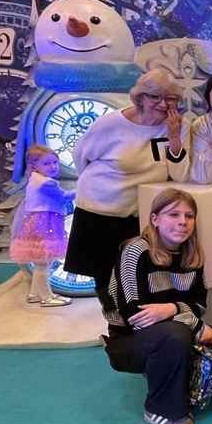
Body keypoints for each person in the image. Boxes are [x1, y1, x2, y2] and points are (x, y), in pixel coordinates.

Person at [102, 188, 212, 424]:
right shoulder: (135, 251)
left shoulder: (193, 255)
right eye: (173, 214)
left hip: (176, 330)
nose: (183, 222)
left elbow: (200, 305)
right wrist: (195, 326)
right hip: (128, 338)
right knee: (175, 337)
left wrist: (171, 309)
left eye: (189, 216)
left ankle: (168, 371)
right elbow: (133, 314)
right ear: (155, 219)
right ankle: (160, 408)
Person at [65, 69, 189, 310]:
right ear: (140, 97)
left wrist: (174, 137)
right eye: (155, 97)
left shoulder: (177, 126)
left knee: (140, 282)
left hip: (140, 217)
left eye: (171, 98)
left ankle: (138, 327)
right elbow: (81, 156)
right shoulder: (111, 123)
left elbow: (180, 174)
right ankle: (117, 327)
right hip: (100, 214)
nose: (163, 104)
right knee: (107, 285)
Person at [9, 144, 75, 307]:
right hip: (44, 224)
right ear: (34, 165)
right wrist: (83, 190)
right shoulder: (46, 183)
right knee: (43, 263)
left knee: (43, 262)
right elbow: (63, 197)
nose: (53, 166)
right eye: (46, 163)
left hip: (40, 222)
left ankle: (34, 294)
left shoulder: (35, 178)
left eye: (55, 162)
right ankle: (46, 297)